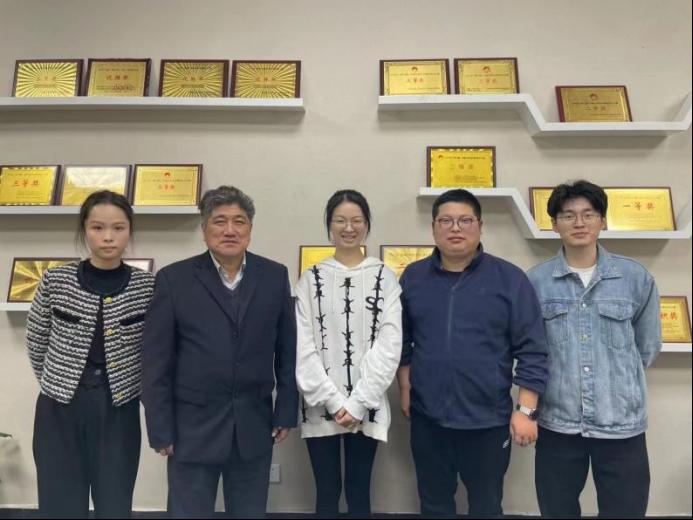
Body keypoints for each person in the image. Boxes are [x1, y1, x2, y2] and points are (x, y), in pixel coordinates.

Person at [141, 185, 297, 519]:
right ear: (204, 229)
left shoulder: (274, 276)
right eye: (220, 221)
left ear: (250, 229)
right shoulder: (174, 279)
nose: (230, 230)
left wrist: (285, 409)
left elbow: (287, 350)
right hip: (191, 429)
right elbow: (155, 362)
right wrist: (160, 427)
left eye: (239, 221)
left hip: (253, 425)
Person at [397, 188, 548, 518]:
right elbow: (402, 341)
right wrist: (406, 389)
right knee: (433, 505)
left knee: (486, 506)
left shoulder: (509, 279)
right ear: (433, 228)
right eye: (446, 221)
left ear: (480, 226)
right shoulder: (413, 277)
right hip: (428, 419)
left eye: (465, 220)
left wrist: (526, 411)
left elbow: (533, 349)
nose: (455, 228)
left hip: (487, 422)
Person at [527, 180, 661, 518]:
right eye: (568, 215)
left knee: (625, 511)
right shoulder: (536, 282)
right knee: (557, 511)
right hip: (558, 423)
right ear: (554, 224)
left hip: (621, 423)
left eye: (589, 214)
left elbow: (646, 346)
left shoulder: (635, 278)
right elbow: (531, 351)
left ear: (602, 221)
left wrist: (616, 382)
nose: (579, 223)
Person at [27, 190, 155, 518]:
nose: (108, 237)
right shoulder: (55, 280)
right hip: (59, 409)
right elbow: (37, 341)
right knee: (59, 501)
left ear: (129, 230)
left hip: (119, 408)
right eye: (98, 227)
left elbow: (153, 349)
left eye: (118, 228)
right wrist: (59, 382)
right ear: (84, 229)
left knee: (115, 501)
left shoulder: (147, 287)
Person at [295, 190, 402, 518]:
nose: (349, 227)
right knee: (326, 491)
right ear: (329, 226)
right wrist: (333, 401)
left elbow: (390, 344)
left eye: (357, 220)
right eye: (340, 220)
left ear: (367, 224)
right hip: (319, 404)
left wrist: (358, 403)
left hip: (367, 403)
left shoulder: (384, 277)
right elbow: (302, 346)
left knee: (359, 491)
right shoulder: (310, 279)